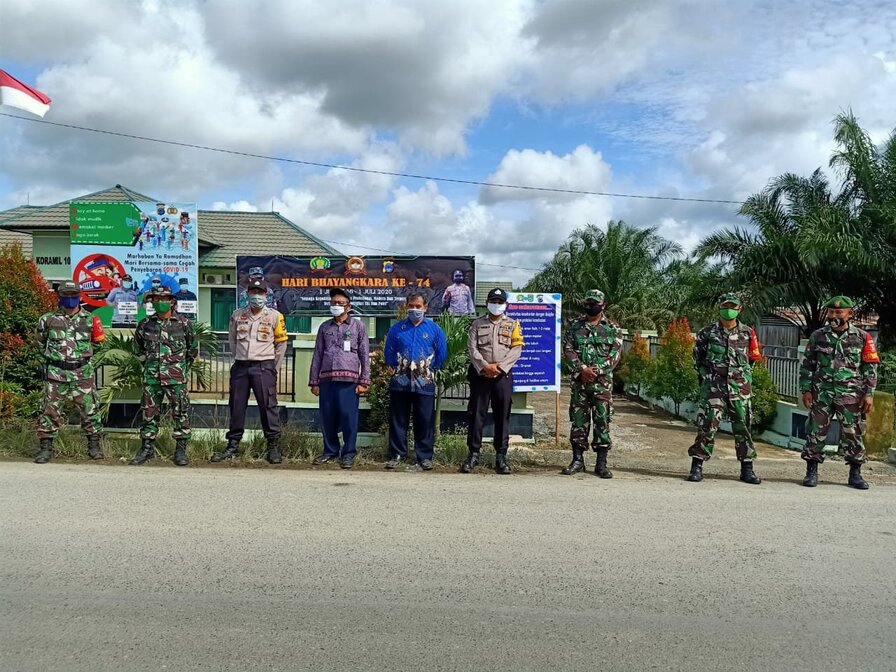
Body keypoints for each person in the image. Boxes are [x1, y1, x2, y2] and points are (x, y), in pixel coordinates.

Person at [799, 295, 879, 489]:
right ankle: (811, 472)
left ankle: (855, 474)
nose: (834, 315)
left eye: (839, 312)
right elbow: (808, 364)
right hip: (822, 393)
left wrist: (869, 393)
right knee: (815, 432)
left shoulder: (862, 337)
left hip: (851, 394)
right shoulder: (818, 336)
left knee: (853, 433)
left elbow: (870, 367)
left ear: (849, 314)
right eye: (832, 312)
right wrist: (806, 389)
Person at [686, 293, 764, 485]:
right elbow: (698, 359)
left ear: (739, 309)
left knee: (743, 427)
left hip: (739, 388)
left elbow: (753, 359)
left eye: (733, 306)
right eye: (725, 305)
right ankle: (697, 466)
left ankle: (747, 469)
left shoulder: (748, 333)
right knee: (707, 426)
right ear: (719, 307)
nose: (728, 309)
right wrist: (708, 377)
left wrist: (742, 377)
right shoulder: (707, 332)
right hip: (714, 387)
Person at [212, 278, 289, 464]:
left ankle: (272, 446)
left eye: (260, 292)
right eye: (253, 292)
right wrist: (240, 357)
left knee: (268, 406)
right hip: (241, 367)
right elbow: (233, 341)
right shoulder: (237, 315)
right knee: (236, 406)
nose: (256, 296)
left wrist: (273, 368)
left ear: (266, 295)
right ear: (247, 294)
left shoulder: (275, 316)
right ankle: (233, 445)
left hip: (264, 366)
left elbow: (281, 344)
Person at [34, 281, 105, 464]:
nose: (70, 299)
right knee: (50, 411)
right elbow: (40, 343)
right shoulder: (47, 319)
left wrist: (83, 359)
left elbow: (99, 342)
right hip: (56, 373)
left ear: (79, 296)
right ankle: (45, 449)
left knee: (90, 411)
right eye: (66, 295)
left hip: (82, 373)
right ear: (60, 296)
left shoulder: (91, 319)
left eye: (74, 295)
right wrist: (52, 360)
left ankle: (94, 447)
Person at [128, 287, 198, 466]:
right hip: (152, 378)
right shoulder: (145, 325)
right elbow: (138, 350)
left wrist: (179, 369)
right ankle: (147, 448)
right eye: (156, 299)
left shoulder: (183, 323)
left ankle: (181, 449)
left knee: (180, 412)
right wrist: (150, 366)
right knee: (149, 413)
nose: (160, 302)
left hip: (175, 378)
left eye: (164, 298)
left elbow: (192, 350)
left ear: (172, 301)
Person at [461, 288, 524, 475]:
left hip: (502, 376)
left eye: (500, 302)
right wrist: (484, 366)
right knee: (476, 414)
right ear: (487, 303)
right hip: (481, 375)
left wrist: (499, 367)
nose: (496, 305)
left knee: (502, 415)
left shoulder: (513, 325)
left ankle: (501, 456)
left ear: (505, 304)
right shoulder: (476, 324)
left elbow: (517, 349)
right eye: (493, 301)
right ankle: (473, 454)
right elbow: (472, 348)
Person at [560, 289, 623, 478]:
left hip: (602, 385)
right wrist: (581, 369)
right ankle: (577, 460)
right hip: (580, 384)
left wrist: (595, 371)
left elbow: (615, 355)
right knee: (578, 422)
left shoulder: (612, 328)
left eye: (595, 302)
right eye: (588, 302)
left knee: (602, 422)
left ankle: (601, 464)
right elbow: (568, 349)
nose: (591, 305)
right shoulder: (574, 326)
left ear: (603, 305)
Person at [383, 292, 447, 471]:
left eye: (418, 306)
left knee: (425, 420)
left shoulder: (434, 330)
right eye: (411, 305)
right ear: (406, 306)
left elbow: (441, 354)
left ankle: (424, 456)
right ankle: (396, 454)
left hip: (424, 383)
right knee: (398, 419)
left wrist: (428, 369)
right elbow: (389, 352)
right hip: (400, 382)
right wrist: (397, 367)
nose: (414, 309)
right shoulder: (397, 329)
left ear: (425, 308)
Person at [309, 288, 370, 469]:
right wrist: (314, 381)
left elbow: (364, 354)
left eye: (340, 303)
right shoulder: (324, 327)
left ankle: (349, 453)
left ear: (348, 306)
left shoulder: (358, 326)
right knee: (328, 418)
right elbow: (318, 354)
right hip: (326, 380)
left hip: (348, 382)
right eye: (333, 303)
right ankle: (330, 451)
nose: (336, 306)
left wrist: (364, 380)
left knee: (348, 418)